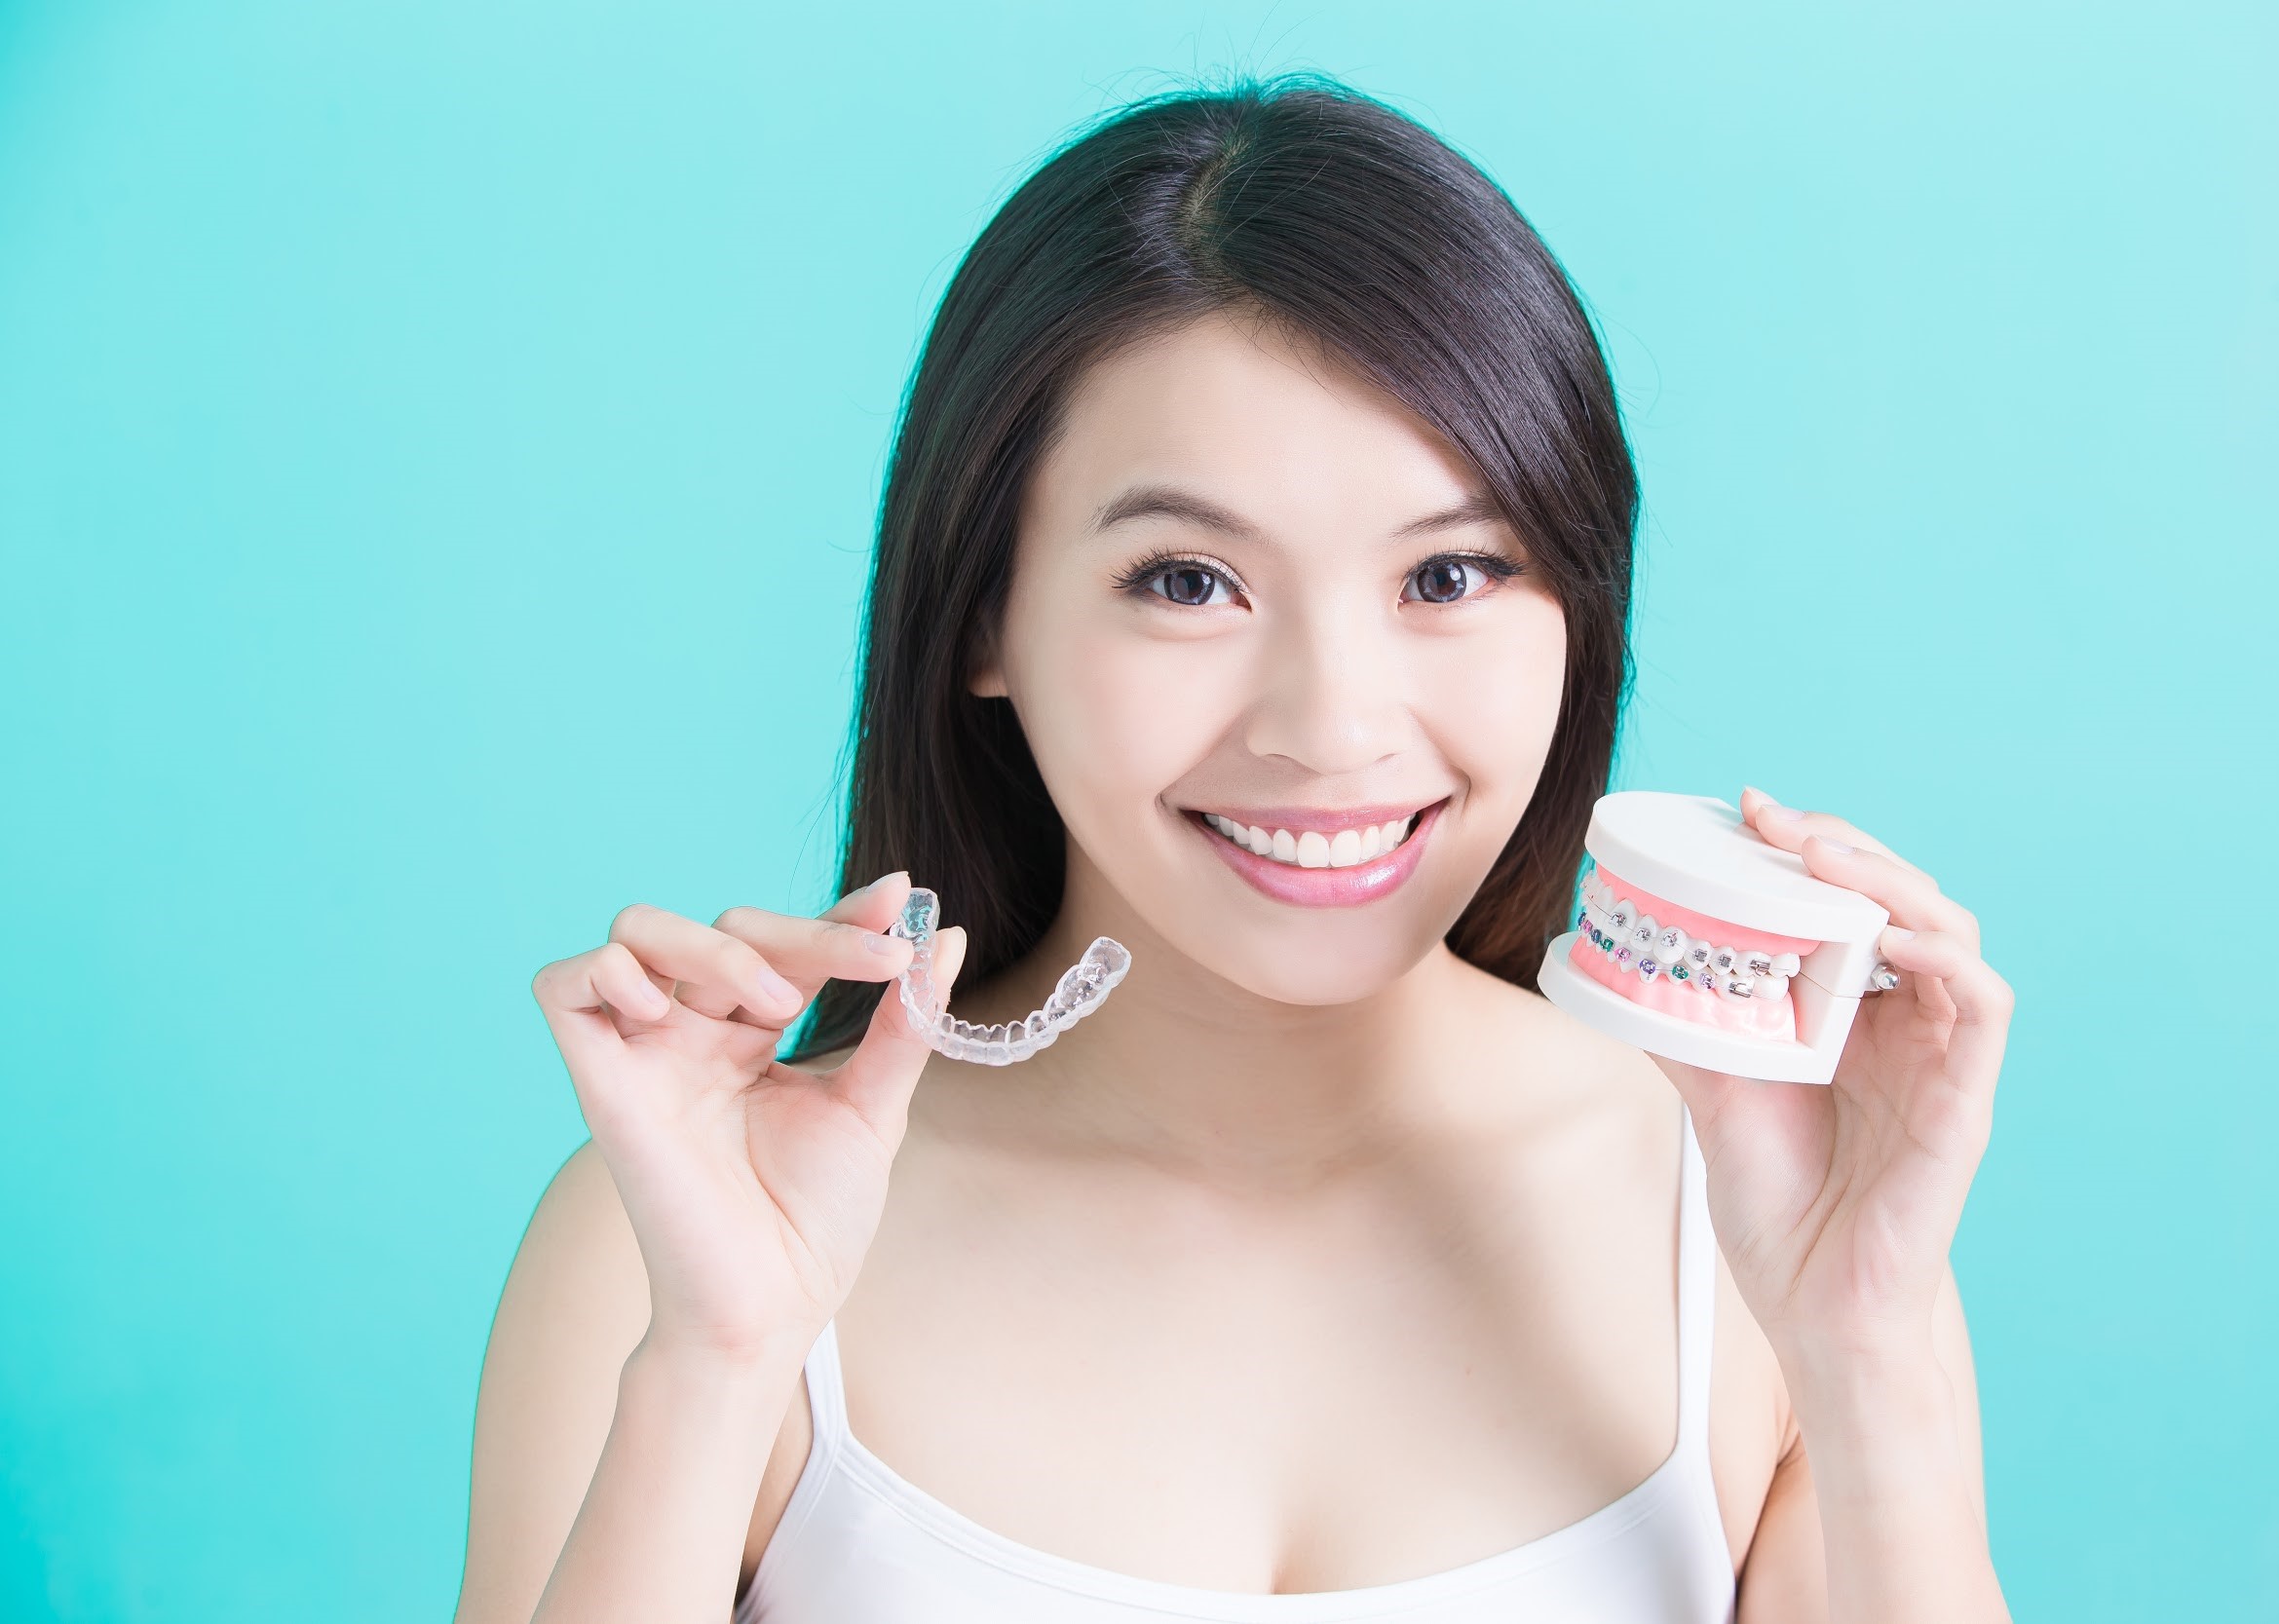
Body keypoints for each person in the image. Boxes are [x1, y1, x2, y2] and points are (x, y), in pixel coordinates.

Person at [453, 78, 2014, 1624]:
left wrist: (1869, 1353)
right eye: (1189, 581)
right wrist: (717, 1362)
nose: (1334, 727)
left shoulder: (1763, 1233)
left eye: (1452, 573)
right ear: (986, 614)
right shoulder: (685, 1242)